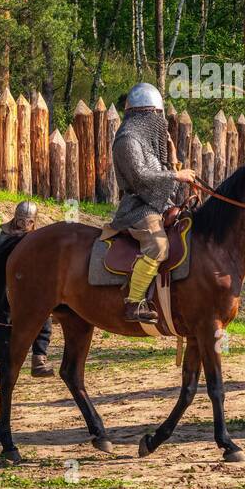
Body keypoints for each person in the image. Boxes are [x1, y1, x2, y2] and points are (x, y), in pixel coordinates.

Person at [100, 82, 196, 323]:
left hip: (158, 205)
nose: (160, 121)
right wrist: (177, 174)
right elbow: (141, 177)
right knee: (158, 246)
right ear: (144, 114)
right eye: (156, 115)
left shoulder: (149, 144)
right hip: (138, 209)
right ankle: (134, 303)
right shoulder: (127, 140)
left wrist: (173, 161)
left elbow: (163, 186)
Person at [0, 200, 53, 383]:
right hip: (6, 290)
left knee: (44, 323)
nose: (25, 225)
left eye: (29, 221)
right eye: (22, 221)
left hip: (32, 291)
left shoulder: (37, 238)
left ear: (34, 221)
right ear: (15, 219)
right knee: (4, 331)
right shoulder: (3, 237)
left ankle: (39, 361)